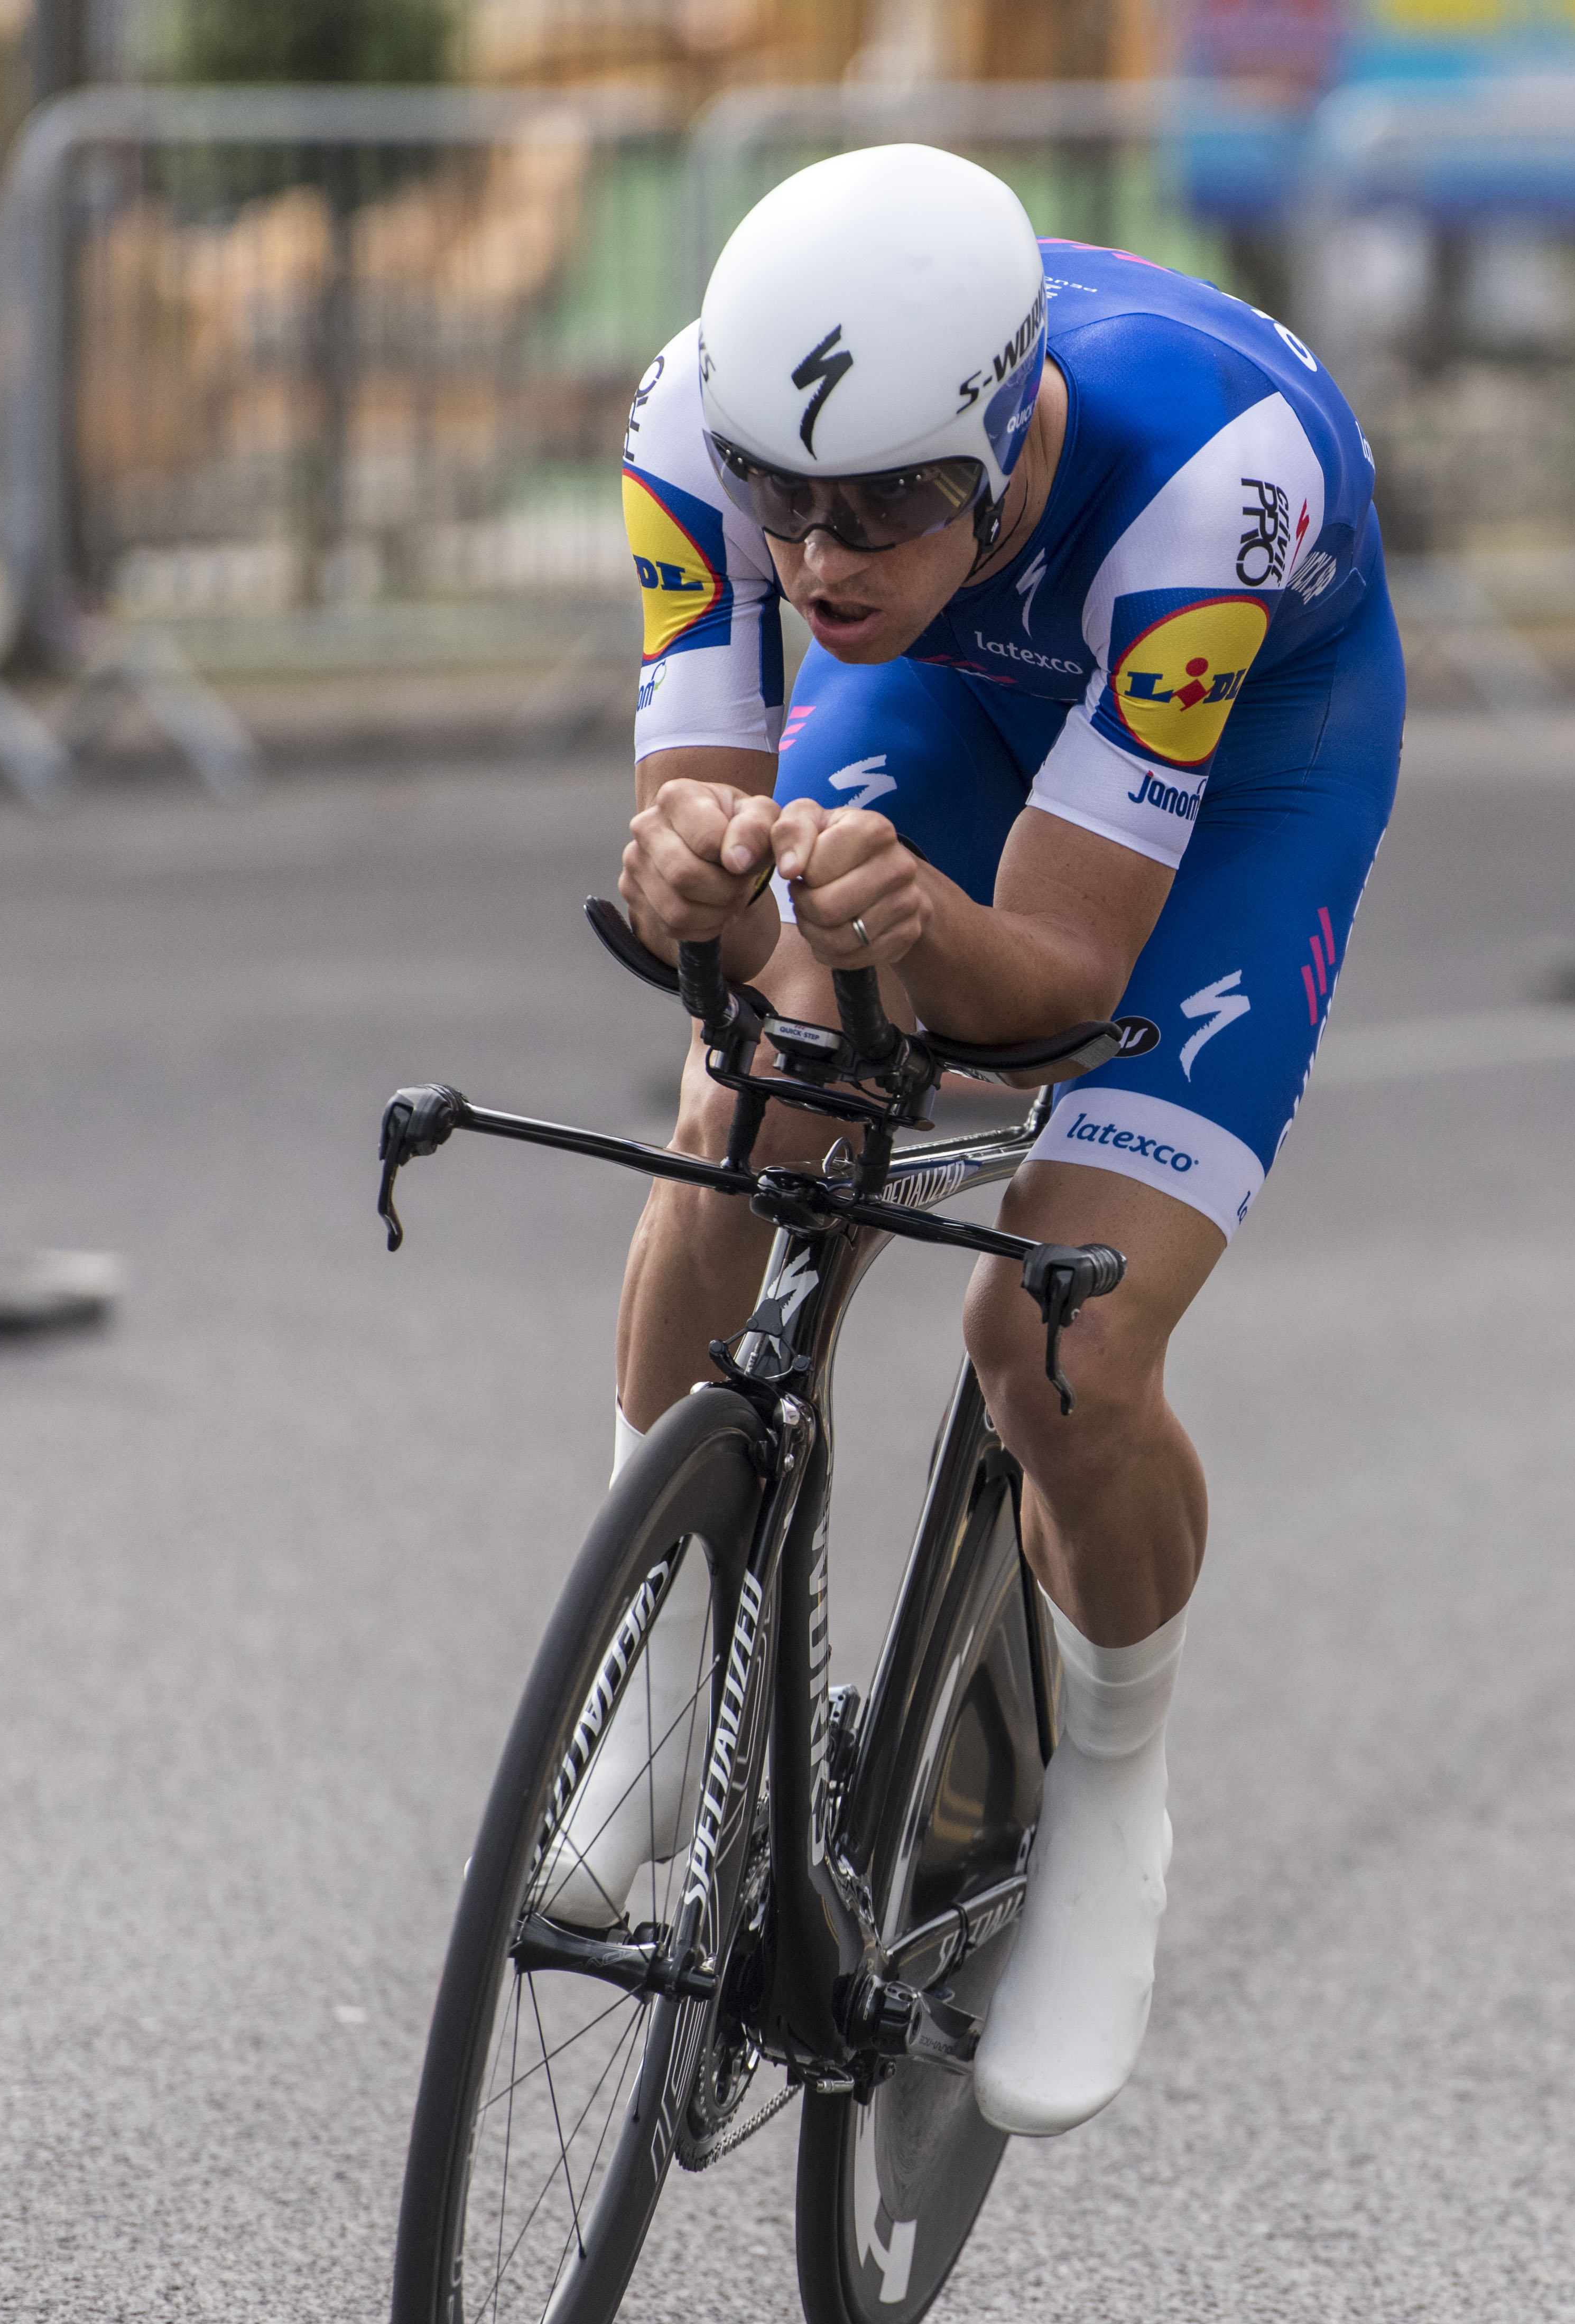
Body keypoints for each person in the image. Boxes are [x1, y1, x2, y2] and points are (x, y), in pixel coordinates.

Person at [543, 143, 1398, 2142]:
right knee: (751, 1101)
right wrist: (704, 876)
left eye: (891, 504)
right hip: (944, 705)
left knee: (1054, 1337)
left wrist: (912, 928)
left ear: (1009, 440)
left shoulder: (1214, 487)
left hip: (1242, 760)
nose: (822, 558)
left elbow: (1051, 991)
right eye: (788, 507)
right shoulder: (696, 421)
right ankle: (657, 1647)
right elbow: (721, 907)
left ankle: (1111, 1778)